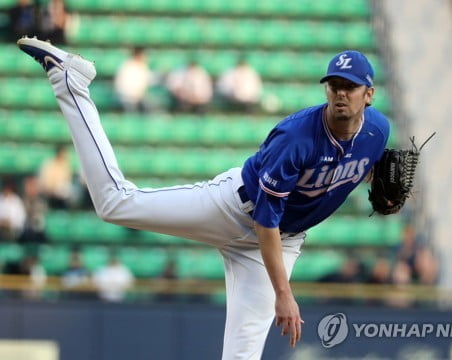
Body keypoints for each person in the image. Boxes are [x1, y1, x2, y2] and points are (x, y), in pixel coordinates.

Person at [17, 38, 391, 359]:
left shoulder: (379, 131)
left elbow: (354, 164)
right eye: (334, 85)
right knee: (113, 203)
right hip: (236, 211)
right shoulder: (296, 137)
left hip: (284, 239)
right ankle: (70, 81)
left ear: (368, 94)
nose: (341, 92)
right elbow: (266, 219)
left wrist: (381, 186)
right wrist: (284, 294)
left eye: (351, 86)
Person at [114, 46, 154, 113]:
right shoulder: (127, 67)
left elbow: (150, 80)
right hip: (127, 97)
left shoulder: (143, 66)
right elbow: (122, 86)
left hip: (140, 98)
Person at [38, 144, 73, 209]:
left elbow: (67, 181)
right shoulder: (49, 164)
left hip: (62, 195)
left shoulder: (65, 165)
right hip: (49, 194)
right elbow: (45, 183)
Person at [0, 177, 26, 241]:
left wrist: (10, 224)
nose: (7, 190)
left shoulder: (17, 200)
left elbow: (21, 220)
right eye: (6, 187)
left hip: (14, 231)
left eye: (8, 188)